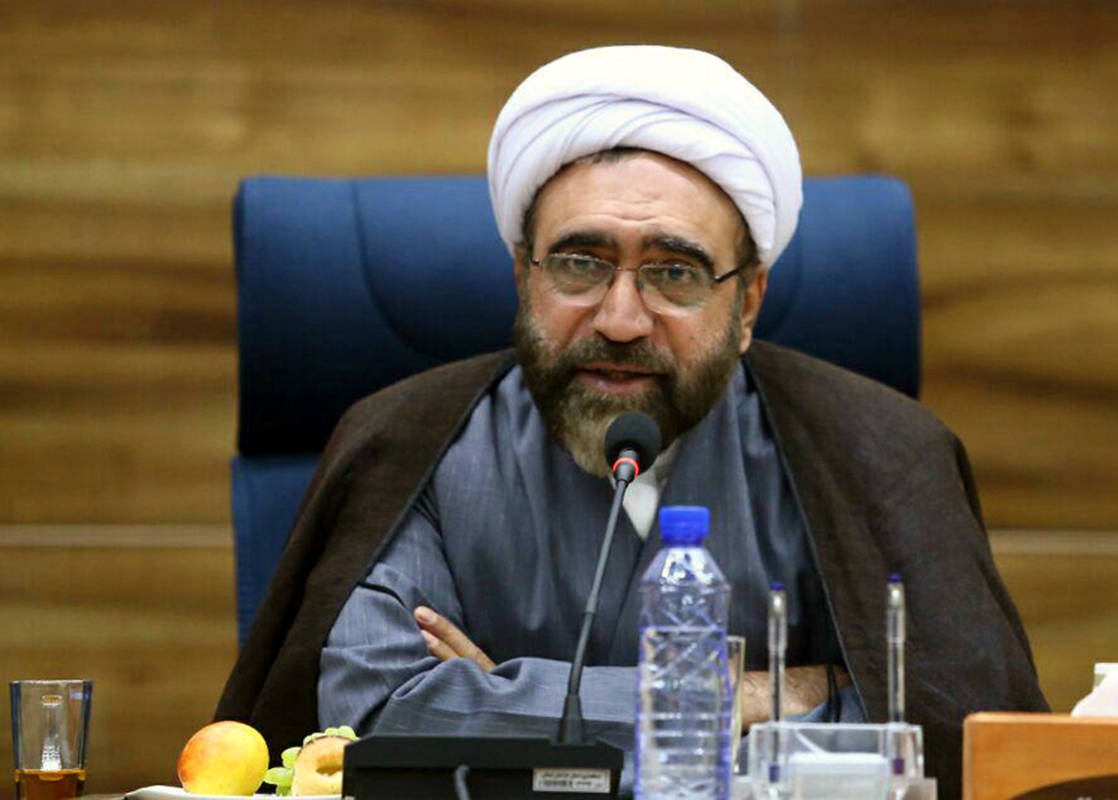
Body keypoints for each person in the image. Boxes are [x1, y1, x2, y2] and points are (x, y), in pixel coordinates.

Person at [216, 46, 1047, 798]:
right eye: (580, 264)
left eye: (674, 273)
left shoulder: (879, 451)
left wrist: (502, 703)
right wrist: (760, 693)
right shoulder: (413, 444)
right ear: (523, 277)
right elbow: (375, 715)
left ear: (746, 303)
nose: (620, 318)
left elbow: (944, 730)